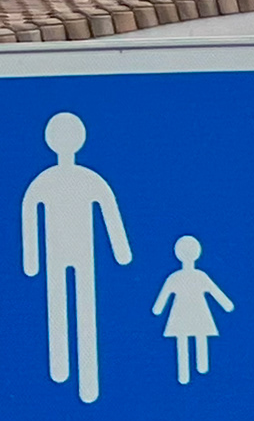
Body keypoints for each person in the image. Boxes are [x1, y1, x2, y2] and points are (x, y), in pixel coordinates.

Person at [19, 110, 131, 405]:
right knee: (61, 303)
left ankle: (85, 380)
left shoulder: (79, 179)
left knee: (81, 305)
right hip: (59, 253)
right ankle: (61, 370)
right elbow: (29, 216)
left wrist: (122, 252)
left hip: (80, 253)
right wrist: (30, 261)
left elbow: (108, 210)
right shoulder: (50, 181)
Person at [152, 234, 231, 384]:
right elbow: (217, 294)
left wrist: (158, 309)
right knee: (195, 336)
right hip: (195, 312)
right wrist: (226, 305)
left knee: (186, 338)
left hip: (183, 312)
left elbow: (161, 302)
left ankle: (190, 373)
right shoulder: (195, 276)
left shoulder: (177, 277)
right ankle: (198, 369)